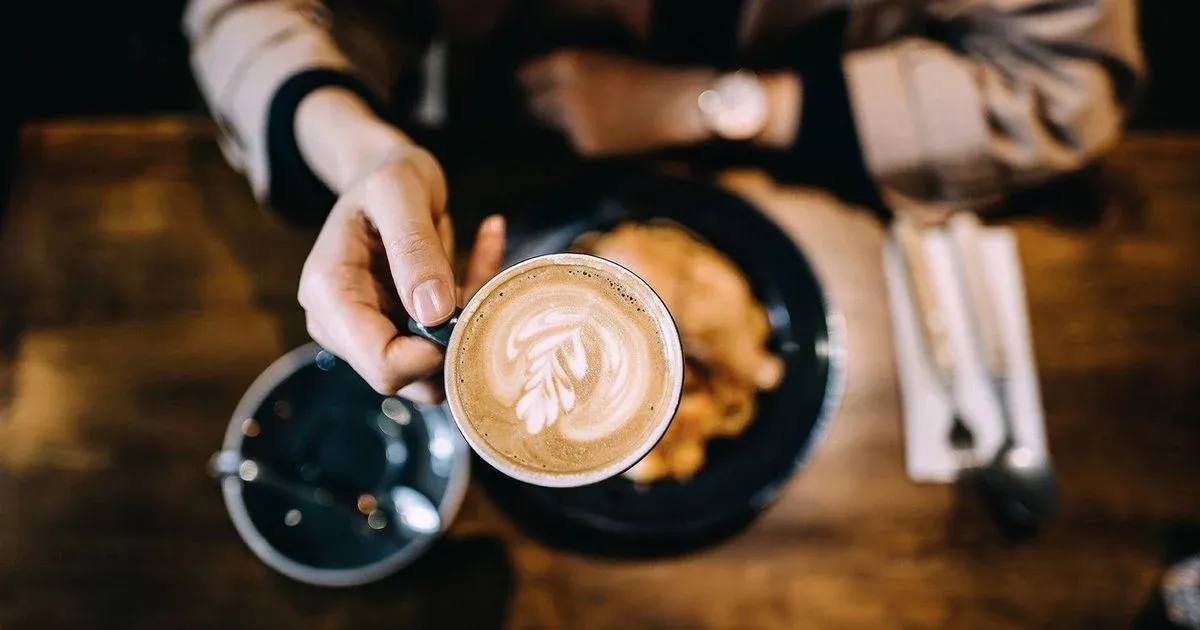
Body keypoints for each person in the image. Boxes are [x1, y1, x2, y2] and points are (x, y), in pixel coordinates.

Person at [183, 0, 1142, 401]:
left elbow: (1066, 84)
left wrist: (719, 103)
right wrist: (359, 148)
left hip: (812, 163)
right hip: (483, 156)